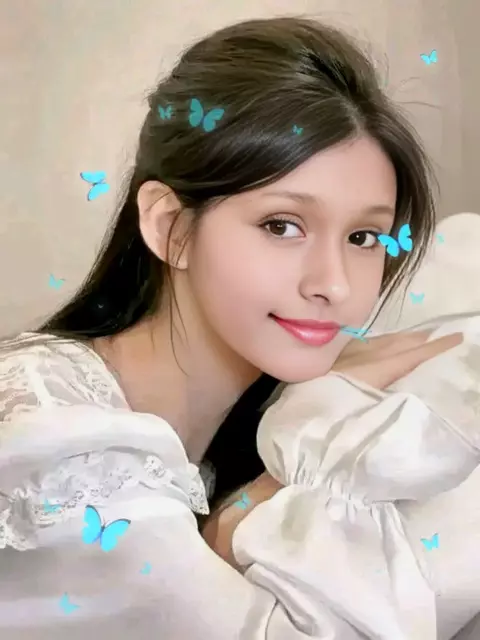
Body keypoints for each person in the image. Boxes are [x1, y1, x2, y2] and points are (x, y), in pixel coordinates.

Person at [0, 16, 461, 639]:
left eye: (363, 237)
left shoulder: (237, 436)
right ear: (170, 226)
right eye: (281, 225)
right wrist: (304, 446)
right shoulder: (56, 431)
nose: (334, 284)